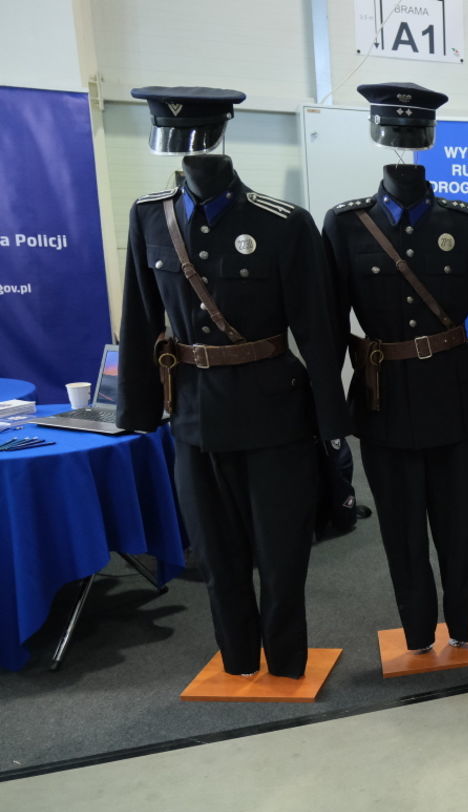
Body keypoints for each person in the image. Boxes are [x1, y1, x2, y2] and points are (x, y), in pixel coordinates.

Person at [118, 87, 350, 679]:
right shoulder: (150, 216)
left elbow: (318, 333)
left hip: (274, 417)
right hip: (193, 419)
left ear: (218, 134)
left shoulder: (282, 223)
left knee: (281, 555)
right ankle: (239, 661)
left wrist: (333, 427)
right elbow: (142, 320)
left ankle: (288, 661)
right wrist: (136, 415)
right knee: (216, 558)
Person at [321, 83, 468, 655]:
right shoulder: (346, 225)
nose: (405, 141)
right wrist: (329, 414)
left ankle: (462, 628)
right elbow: (330, 326)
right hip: (383, 406)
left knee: (463, 531)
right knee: (401, 535)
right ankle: (415, 634)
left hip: (456, 400)